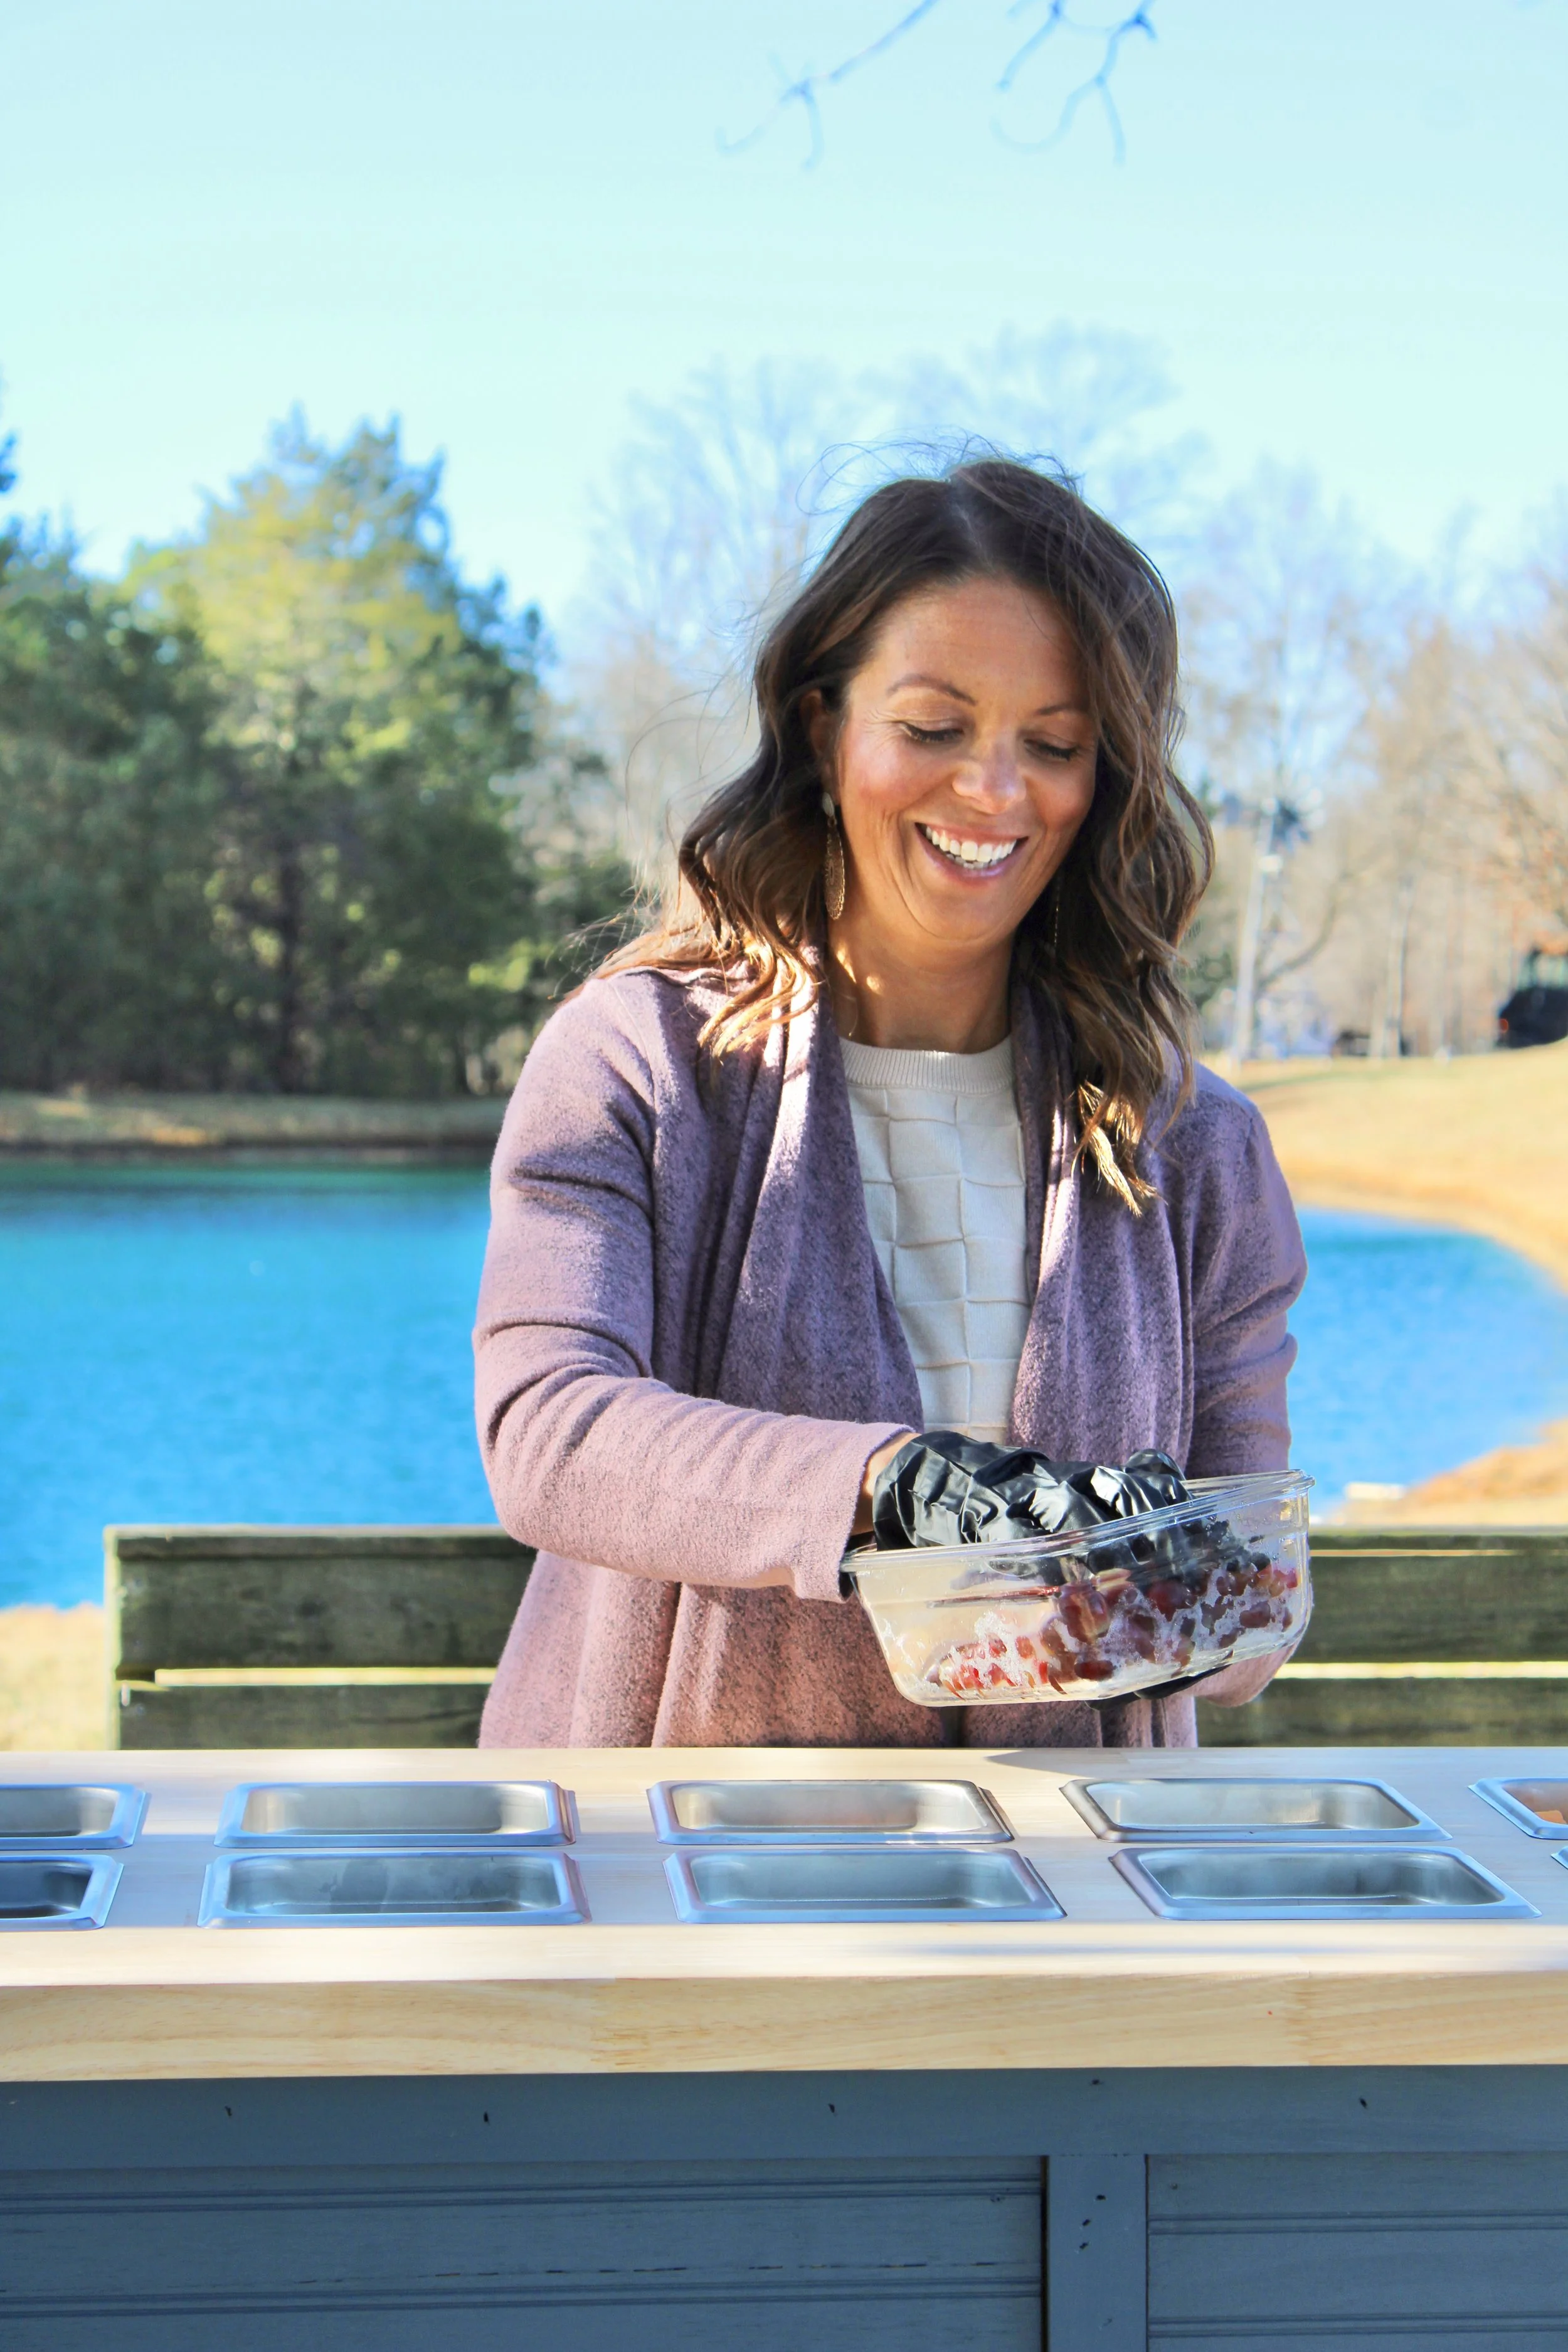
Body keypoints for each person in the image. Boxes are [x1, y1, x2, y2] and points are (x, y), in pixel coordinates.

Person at [474, 459, 1306, 1752]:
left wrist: (1179, 1576)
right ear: (821, 726)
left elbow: (1244, 1609)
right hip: (687, 1875)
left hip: (1073, 1896)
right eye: (931, 727)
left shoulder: (1194, 1144)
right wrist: (885, 1491)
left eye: (1053, 744)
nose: (992, 791)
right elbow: (548, 1434)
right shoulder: (632, 1063)